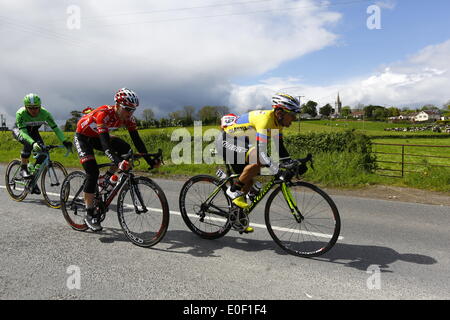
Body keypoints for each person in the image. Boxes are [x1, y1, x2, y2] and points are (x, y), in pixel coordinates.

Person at [74, 88, 160, 231]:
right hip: (84, 137)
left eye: (133, 110)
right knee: (92, 172)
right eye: (127, 109)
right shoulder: (103, 114)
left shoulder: (129, 118)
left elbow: (137, 141)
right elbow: (105, 145)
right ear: (118, 105)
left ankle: (106, 179)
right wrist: (118, 161)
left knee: (126, 150)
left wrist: (150, 161)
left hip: (98, 136)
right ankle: (89, 213)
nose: (130, 113)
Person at [216, 93, 300, 232]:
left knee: (249, 180)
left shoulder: (277, 124)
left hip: (241, 142)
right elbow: (261, 154)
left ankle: (238, 218)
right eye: (292, 115)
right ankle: (233, 191)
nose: (294, 119)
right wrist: (275, 169)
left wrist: (292, 163)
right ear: (280, 112)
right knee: (258, 159)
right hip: (226, 141)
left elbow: (280, 148)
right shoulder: (265, 120)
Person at [12, 93, 72, 194]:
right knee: (28, 144)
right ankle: (23, 169)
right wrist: (33, 143)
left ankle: (32, 180)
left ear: (40, 106)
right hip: (20, 131)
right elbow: (24, 133)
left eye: (36, 107)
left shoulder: (45, 114)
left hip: (34, 132)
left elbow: (56, 128)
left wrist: (65, 141)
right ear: (26, 107)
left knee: (44, 152)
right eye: (30, 108)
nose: (33, 110)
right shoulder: (20, 113)